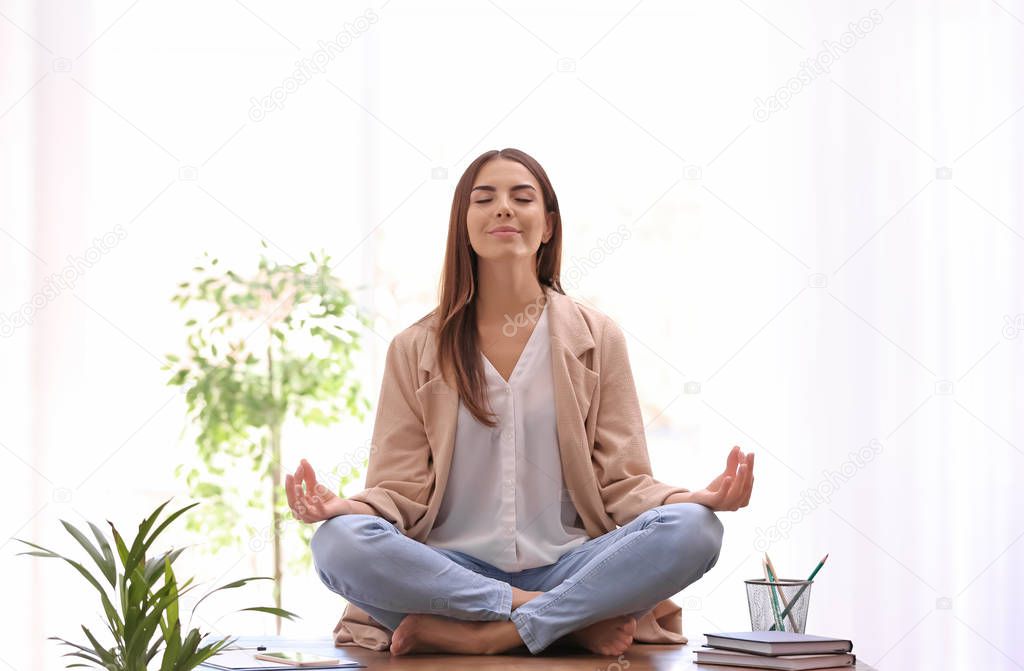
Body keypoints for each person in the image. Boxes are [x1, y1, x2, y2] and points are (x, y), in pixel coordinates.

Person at [286, 148, 756, 657]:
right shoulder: (414, 348)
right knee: (338, 543)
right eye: (484, 199)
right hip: (451, 571)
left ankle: (490, 634)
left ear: (548, 225)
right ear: (463, 225)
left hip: (570, 564)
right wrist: (345, 507)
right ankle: (560, 618)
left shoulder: (598, 338)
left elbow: (623, 484)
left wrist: (696, 500)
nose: (503, 209)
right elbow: (399, 490)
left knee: (696, 531)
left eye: (521, 197)